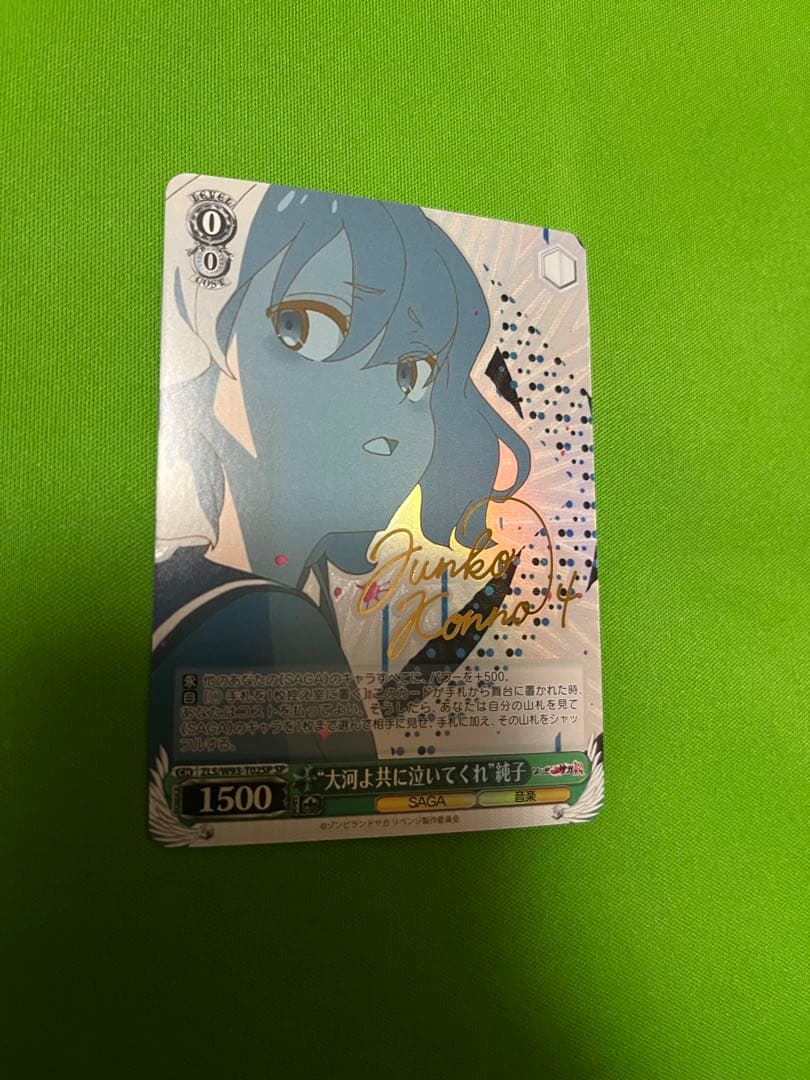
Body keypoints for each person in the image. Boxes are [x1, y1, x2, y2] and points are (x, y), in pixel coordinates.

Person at [151, 186, 530, 763]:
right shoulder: (255, 615)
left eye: (413, 375)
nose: (385, 420)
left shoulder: (287, 598)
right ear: (209, 339)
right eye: (303, 329)